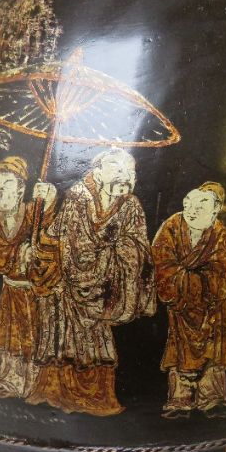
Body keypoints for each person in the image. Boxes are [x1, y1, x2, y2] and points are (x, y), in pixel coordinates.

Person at [32, 148, 156, 416]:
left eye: (128, 171)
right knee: (66, 339)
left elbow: (139, 245)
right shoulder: (78, 197)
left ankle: (95, 397)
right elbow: (74, 247)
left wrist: (120, 253)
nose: (123, 176)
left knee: (96, 342)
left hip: (106, 289)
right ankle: (60, 395)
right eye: (116, 169)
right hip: (68, 284)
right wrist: (105, 256)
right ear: (97, 173)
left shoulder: (131, 205)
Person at [0, 157, 61, 399]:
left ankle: (35, 383)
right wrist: (19, 254)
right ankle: (11, 381)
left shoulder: (33, 212)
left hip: (35, 294)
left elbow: (52, 233)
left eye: (5, 188)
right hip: (11, 291)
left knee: (35, 338)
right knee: (10, 338)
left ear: (21, 190)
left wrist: (49, 201)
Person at [151, 183, 226, 419]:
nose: (193, 210)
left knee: (212, 350)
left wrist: (203, 285)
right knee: (180, 350)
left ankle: (211, 398)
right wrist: (183, 283)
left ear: (216, 209)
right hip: (181, 303)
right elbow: (161, 260)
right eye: (189, 204)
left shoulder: (219, 233)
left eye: (202, 205)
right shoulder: (172, 226)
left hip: (211, 307)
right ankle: (180, 400)